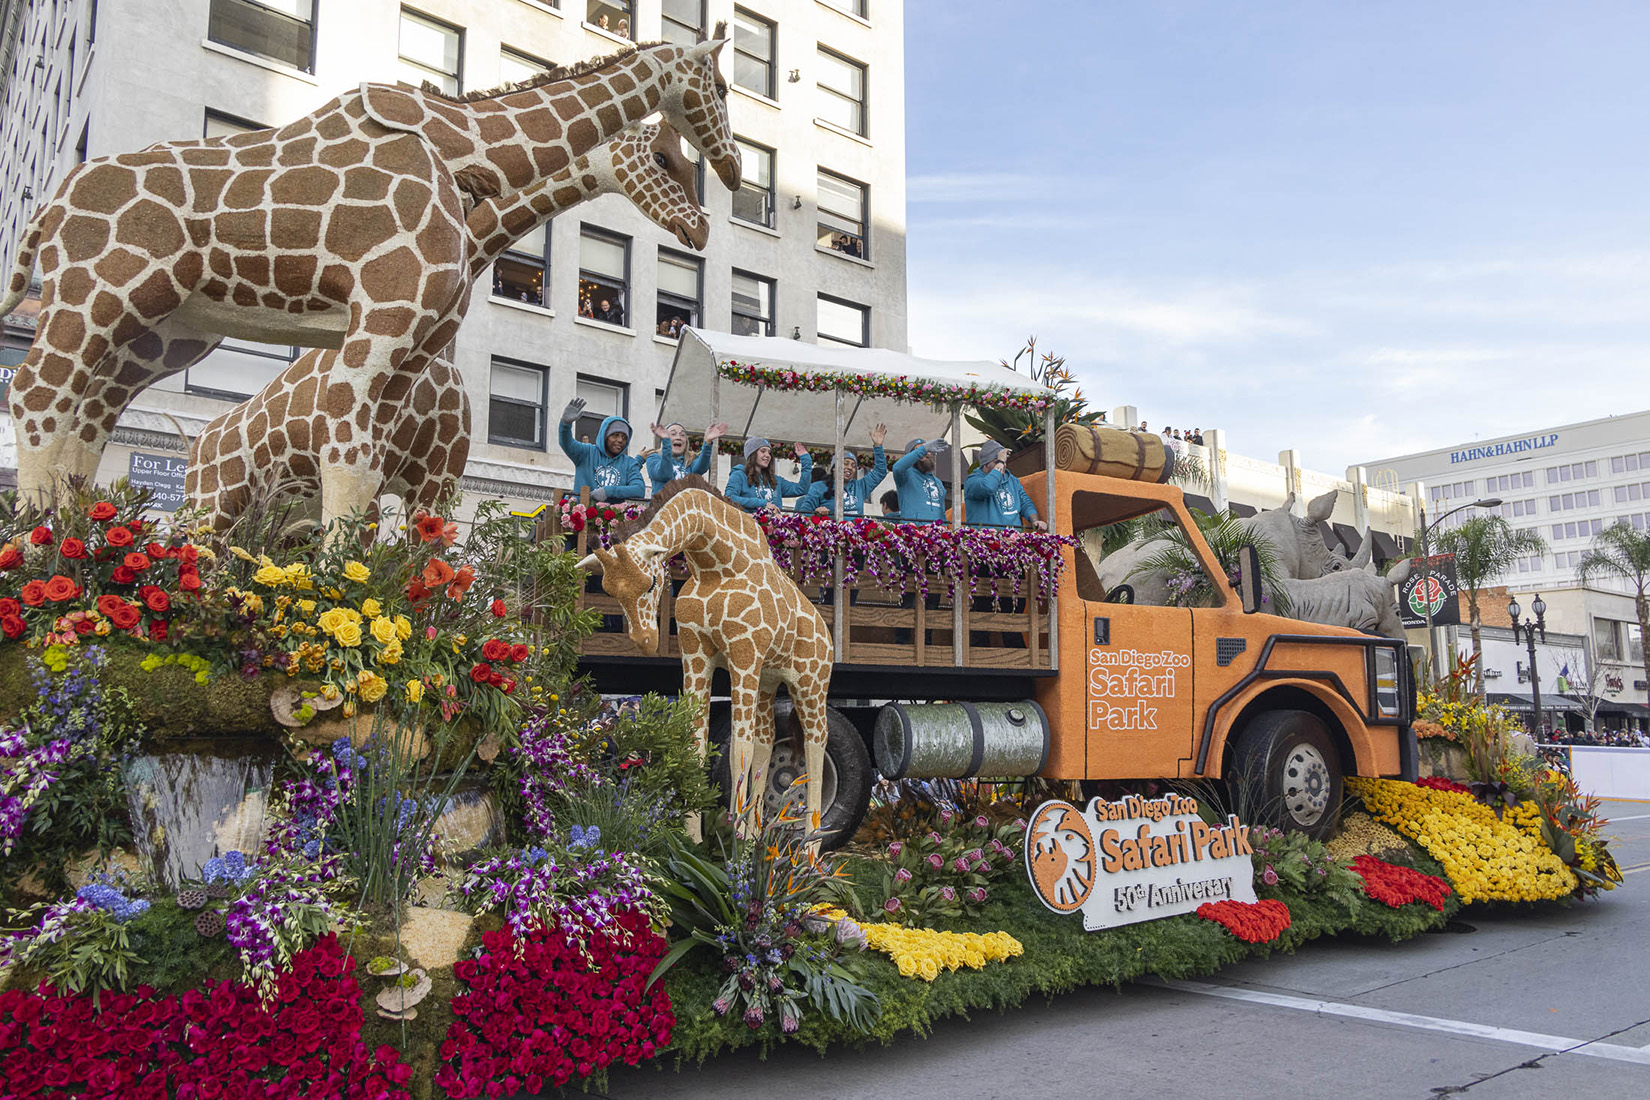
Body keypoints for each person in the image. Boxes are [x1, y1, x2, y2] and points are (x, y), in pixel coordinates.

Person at [964, 440, 1045, 649]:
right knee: (982, 603)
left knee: (1014, 602)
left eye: (1003, 461)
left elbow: (1024, 502)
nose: (1003, 465)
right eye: (998, 461)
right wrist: (999, 463)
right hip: (983, 553)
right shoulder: (974, 481)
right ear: (988, 462)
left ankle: (1014, 650)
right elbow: (987, 488)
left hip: (1012, 553)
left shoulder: (1013, 481)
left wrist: (1034, 519)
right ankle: (979, 651)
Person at [557, 398, 644, 503]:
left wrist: (608, 491)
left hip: (615, 518)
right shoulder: (586, 452)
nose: (620, 440)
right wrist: (565, 425)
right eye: (615, 435)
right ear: (605, 436)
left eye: (624, 437)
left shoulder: (629, 463)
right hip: (581, 517)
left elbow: (639, 490)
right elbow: (566, 443)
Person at [800, 423, 888, 517]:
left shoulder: (860, 487)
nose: (850, 467)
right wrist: (817, 513)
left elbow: (880, 472)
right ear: (834, 468)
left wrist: (878, 447)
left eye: (853, 465)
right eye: (845, 464)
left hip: (855, 531)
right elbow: (804, 515)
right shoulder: (817, 487)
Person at [724, 438, 813, 512]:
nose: (768, 455)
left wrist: (806, 459)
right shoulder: (739, 476)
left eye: (769, 452)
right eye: (763, 451)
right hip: (749, 528)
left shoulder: (776, 480)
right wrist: (762, 503)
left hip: (773, 529)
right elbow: (729, 497)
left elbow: (802, 489)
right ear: (752, 454)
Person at [645, 420, 726, 495]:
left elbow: (702, 467)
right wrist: (666, 444)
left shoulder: (690, 460)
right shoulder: (654, 458)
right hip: (663, 508)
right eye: (673, 434)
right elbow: (665, 474)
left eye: (682, 435)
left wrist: (707, 442)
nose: (678, 437)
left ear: (686, 442)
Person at [891, 437, 950, 522]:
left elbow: (942, 514)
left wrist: (944, 529)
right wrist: (924, 449)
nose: (925, 453)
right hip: (913, 531)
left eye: (928, 450)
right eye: (918, 450)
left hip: (935, 533)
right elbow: (897, 468)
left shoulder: (938, 482)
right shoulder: (905, 475)